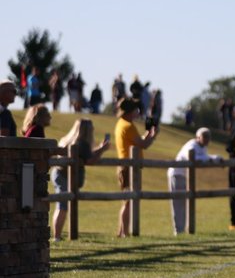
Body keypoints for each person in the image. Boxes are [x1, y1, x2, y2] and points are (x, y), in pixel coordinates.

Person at [50, 119, 111, 241]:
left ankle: (58, 235)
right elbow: (90, 160)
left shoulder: (69, 140)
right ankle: (56, 236)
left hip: (59, 174)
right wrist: (103, 149)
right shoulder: (82, 143)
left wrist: (99, 148)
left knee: (62, 205)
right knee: (62, 206)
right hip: (65, 176)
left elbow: (86, 155)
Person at [114, 97, 158, 238]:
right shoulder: (128, 126)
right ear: (130, 111)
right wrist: (153, 136)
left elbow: (138, 142)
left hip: (124, 165)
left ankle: (121, 231)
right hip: (129, 167)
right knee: (128, 201)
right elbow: (143, 145)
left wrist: (148, 135)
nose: (137, 112)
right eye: (135, 110)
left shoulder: (121, 124)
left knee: (126, 200)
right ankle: (125, 232)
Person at [167, 127, 221, 235]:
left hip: (184, 175)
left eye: (208, 137)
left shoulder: (202, 148)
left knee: (184, 203)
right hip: (176, 174)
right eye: (204, 136)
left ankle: (184, 230)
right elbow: (193, 157)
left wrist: (216, 158)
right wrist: (210, 159)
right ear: (198, 137)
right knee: (178, 204)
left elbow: (205, 157)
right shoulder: (192, 145)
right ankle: (178, 231)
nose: (207, 139)